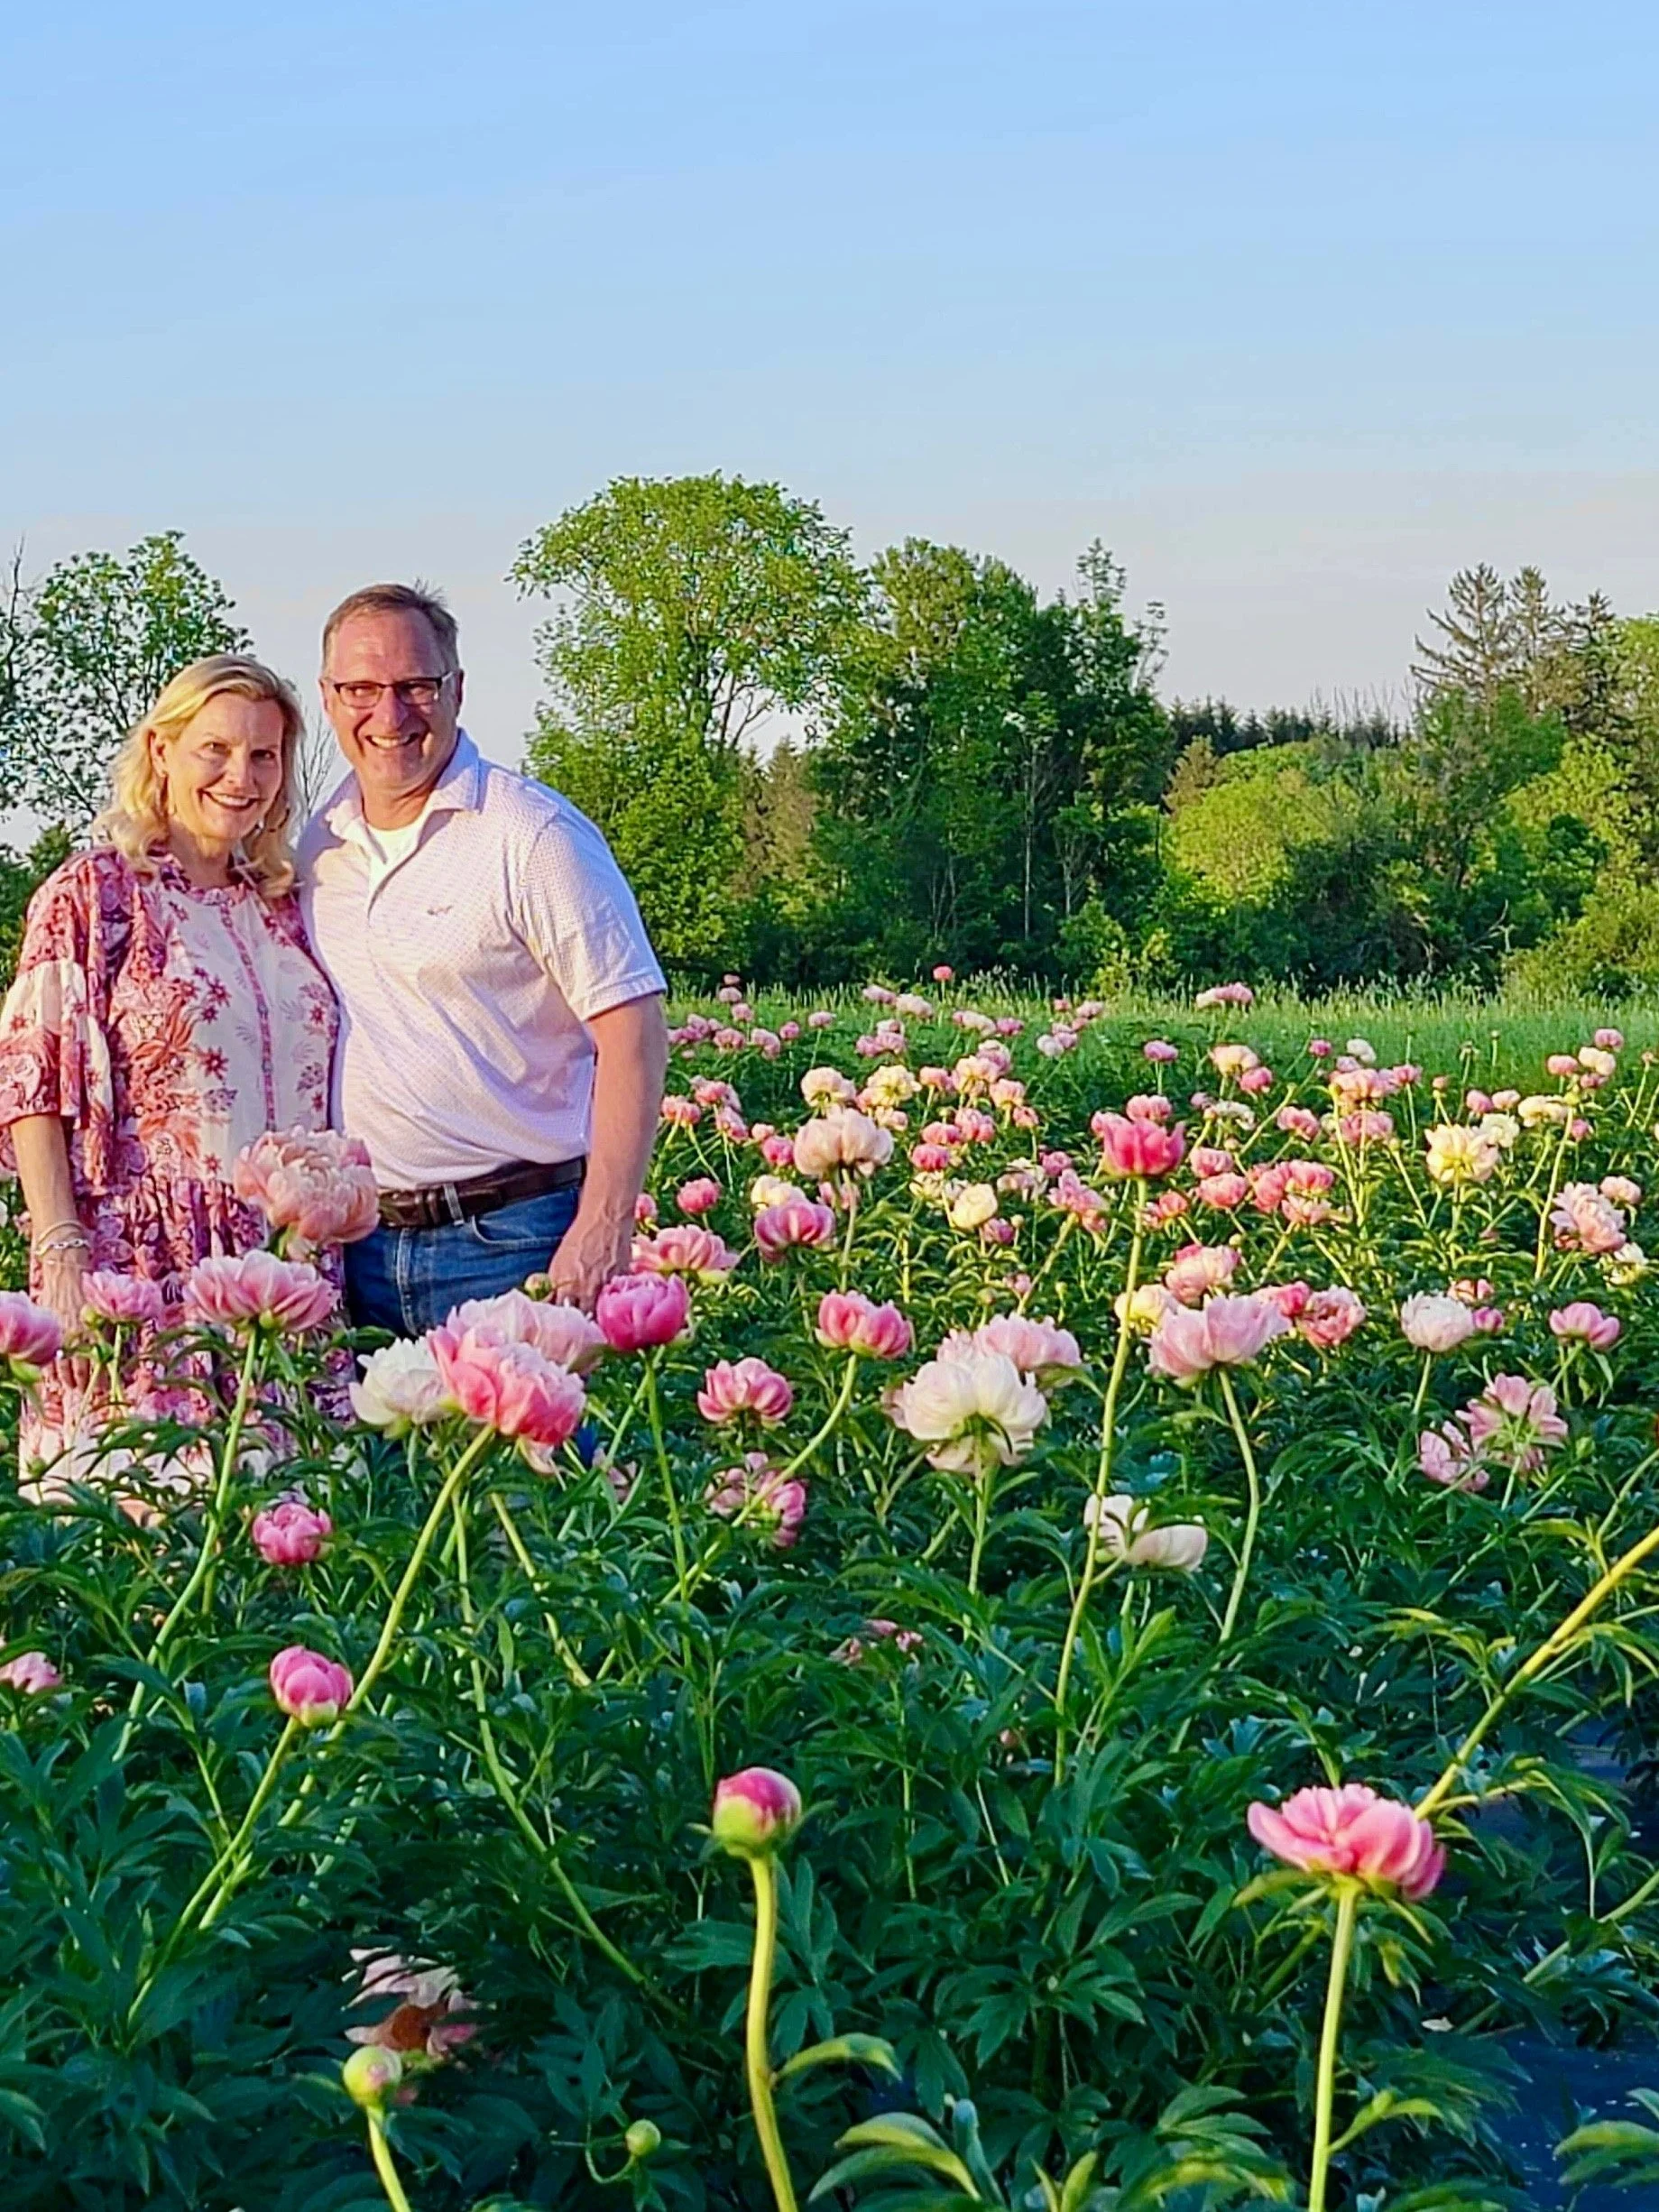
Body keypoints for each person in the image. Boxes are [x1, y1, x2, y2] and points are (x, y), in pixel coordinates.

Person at [299, 582, 668, 1337]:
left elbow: (634, 1033)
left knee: (532, 1458)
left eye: (415, 686)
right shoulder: (318, 845)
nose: (390, 715)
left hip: (511, 1239)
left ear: (457, 690)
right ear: (329, 698)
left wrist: (602, 1227)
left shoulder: (531, 836)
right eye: (362, 689)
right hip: (357, 1252)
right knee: (380, 1461)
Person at [0, 655, 340, 1470]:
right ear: (161, 751)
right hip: (143, 1262)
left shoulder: (286, 903)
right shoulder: (95, 894)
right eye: (214, 750)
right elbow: (31, 1083)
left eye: (264, 756)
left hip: (284, 1268)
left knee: (289, 1547)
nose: (240, 776)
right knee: (149, 1531)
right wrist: (62, 1252)